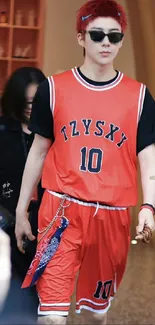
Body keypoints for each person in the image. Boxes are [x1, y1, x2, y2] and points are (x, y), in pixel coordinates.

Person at [15, 0, 155, 324]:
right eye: (97, 34)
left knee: (94, 315)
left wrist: (149, 206)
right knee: (51, 316)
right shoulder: (53, 89)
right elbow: (37, 152)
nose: (106, 42)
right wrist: (23, 208)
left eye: (115, 36)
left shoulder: (139, 98)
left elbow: (149, 157)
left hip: (111, 218)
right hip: (61, 214)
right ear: (81, 38)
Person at [0, 67, 46, 321]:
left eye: (37, 101)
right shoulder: (3, 132)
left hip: (43, 227)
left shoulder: (50, 135)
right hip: (5, 227)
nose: (32, 107)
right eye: (27, 102)